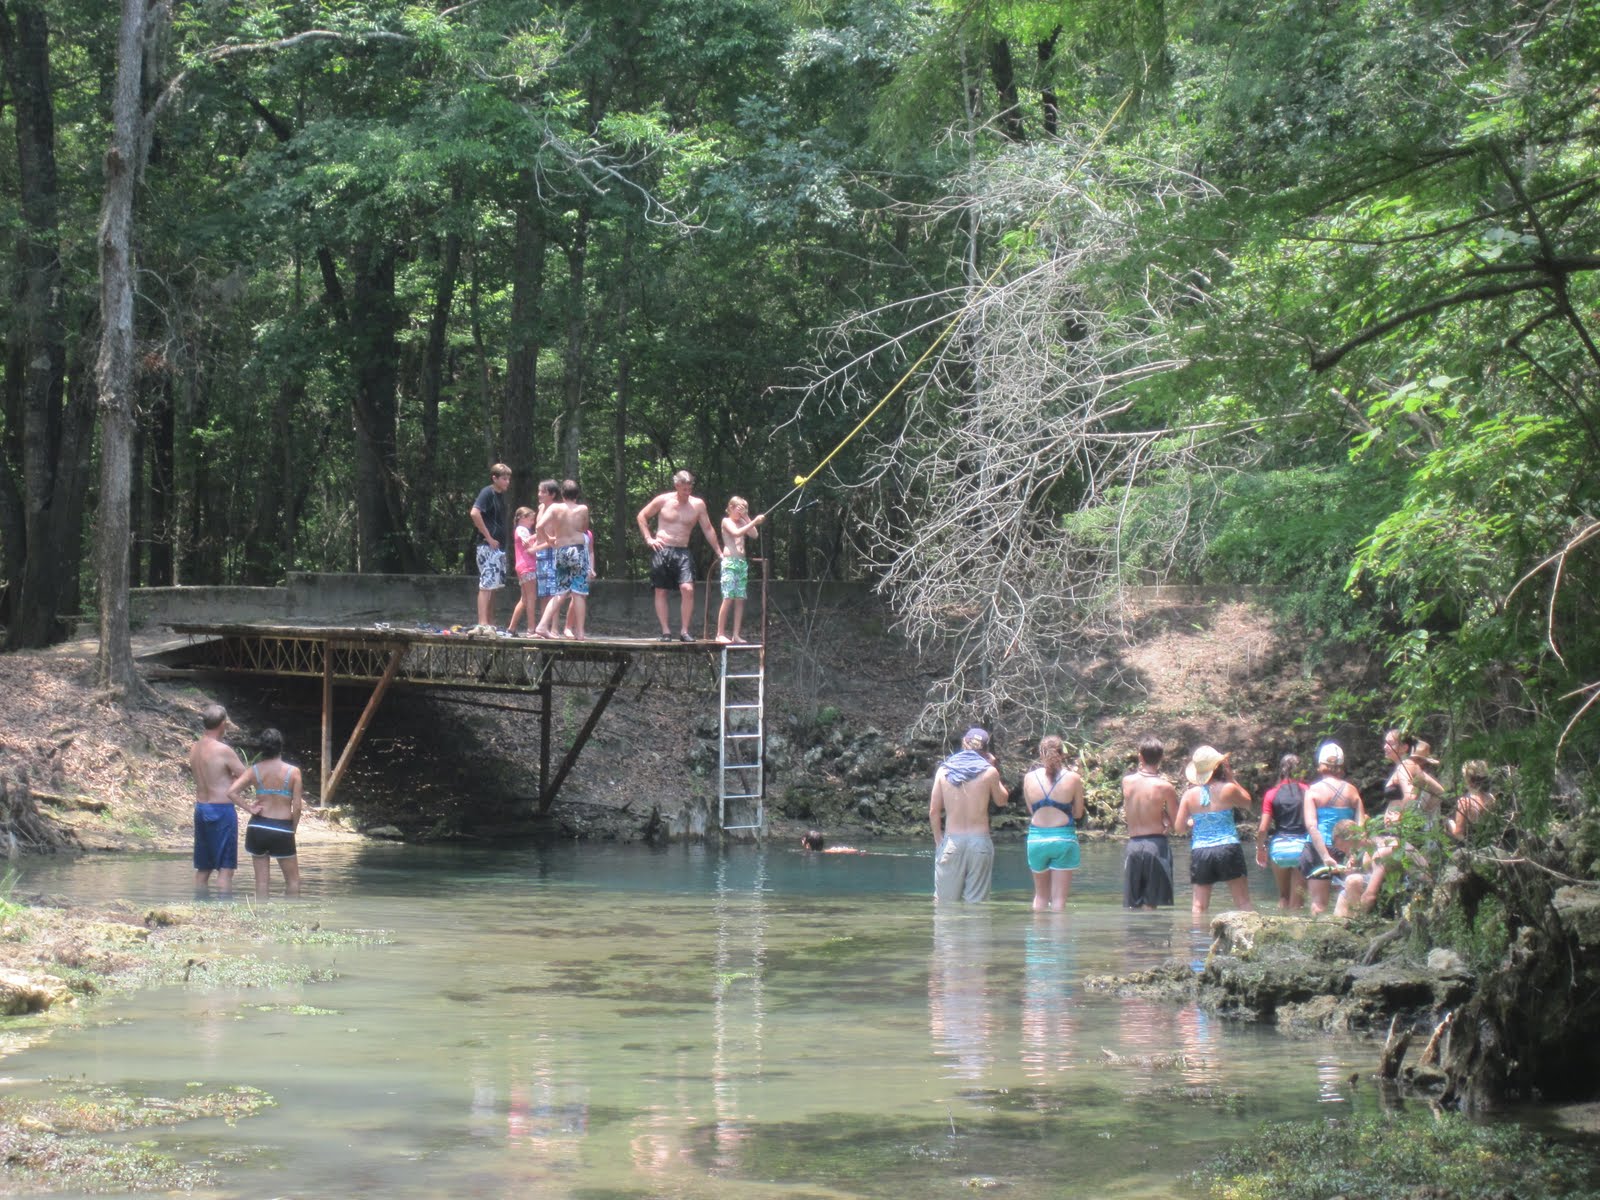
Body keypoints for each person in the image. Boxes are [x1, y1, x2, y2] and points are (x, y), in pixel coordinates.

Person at [636, 469, 722, 642]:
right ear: (677, 485)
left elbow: (707, 528)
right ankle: (666, 631)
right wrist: (648, 538)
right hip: (662, 548)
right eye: (684, 488)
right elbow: (642, 515)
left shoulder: (697, 504)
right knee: (661, 591)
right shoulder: (663, 500)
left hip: (682, 550)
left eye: (690, 488)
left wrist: (719, 551)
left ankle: (684, 631)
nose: (687, 492)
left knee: (687, 589)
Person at [929, 727, 1009, 903]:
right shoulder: (989, 772)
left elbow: (934, 811)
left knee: (944, 905)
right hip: (979, 842)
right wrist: (993, 766)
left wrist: (938, 842)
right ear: (986, 750)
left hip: (951, 842)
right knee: (977, 906)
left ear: (964, 743)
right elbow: (1002, 800)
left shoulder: (944, 771)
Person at [1173, 745, 1254, 915]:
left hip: (1201, 851)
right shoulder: (1228, 788)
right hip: (1228, 847)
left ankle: (1198, 933)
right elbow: (1248, 802)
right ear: (1219, 767)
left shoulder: (1189, 795)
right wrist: (1232, 778)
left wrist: (1192, 822)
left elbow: (1179, 828)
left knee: (1199, 907)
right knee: (1243, 902)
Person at [225, 727, 304, 899]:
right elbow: (297, 807)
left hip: (258, 827)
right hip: (282, 828)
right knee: (293, 881)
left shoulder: (255, 770)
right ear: (281, 746)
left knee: (261, 882)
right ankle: (293, 914)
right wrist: (293, 828)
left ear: (262, 748)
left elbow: (231, 792)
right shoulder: (293, 772)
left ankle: (261, 913)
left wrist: (250, 808)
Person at [1300, 741, 1367, 915]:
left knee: (1318, 903)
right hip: (1345, 848)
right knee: (1348, 896)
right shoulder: (1352, 791)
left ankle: (1318, 932)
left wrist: (1325, 856)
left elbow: (1312, 826)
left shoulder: (1313, 790)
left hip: (1317, 849)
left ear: (1321, 764)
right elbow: (1360, 827)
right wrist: (1354, 853)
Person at [1022, 735, 1085, 911]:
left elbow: (1032, 810)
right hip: (1063, 840)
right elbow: (1078, 813)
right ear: (1062, 754)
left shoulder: (1029, 778)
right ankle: (1059, 930)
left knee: (1040, 897)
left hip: (1036, 840)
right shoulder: (1073, 778)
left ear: (1041, 753)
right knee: (1059, 901)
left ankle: (1037, 930)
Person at [189, 704, 246, 892]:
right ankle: (224, 909)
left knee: (203, 869)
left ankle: (199, 906)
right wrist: (233, 781)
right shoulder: (223, 750)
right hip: (221, 811)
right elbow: (246, 777)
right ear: (223, 724)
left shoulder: (195, 748)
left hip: (201, 809)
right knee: (225, 870)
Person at [1121, 736, 1177, 910]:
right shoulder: (1164, 787)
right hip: (1156, 846)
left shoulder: (1127, 782)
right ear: (1161, 758)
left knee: (1132, 906)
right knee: (1151, 906)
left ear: (1140, 756)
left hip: (1133, 846)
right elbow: (1177, 822)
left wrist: (1162, 813)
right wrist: (1166, 818)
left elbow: (1136, 805)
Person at [537, 479, 592, 639]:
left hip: (561, 551)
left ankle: (542, 626)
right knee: (578, 592)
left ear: (562, 494)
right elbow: (584, 528)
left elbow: (539, 526)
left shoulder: (554, 508)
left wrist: (548, 539)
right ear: (577, 495)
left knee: (560, 591)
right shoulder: (582, 508)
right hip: (577, 551)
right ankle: (580, 632)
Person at [1256, 753, 1311, 910]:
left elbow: (1263, 828)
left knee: (1283, 897)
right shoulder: (1308, 791)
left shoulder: (1272, 794)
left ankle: (1277, 923)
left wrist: (1260, 848)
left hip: (1280, 849)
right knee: (1298, 903)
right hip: (1302, 849)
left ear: (1281, 770)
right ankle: (1295, 925)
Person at [716, 497, 766, 644]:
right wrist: (754, 521)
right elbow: (736, 533)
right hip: (730, 563)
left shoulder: (744, 521)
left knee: (740, 599)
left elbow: (754, 535)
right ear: (731, 508)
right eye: (739, 509)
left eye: (744, 509)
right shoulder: (726, 521)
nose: (741, 512)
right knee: (728, 597)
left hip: (741, 564)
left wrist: (748, 518)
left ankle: (736, 635)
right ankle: (720, 634)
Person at [469, 463, 513, 629]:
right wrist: (488, 537)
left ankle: (490, 622)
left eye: (508, 479)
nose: (507, 482)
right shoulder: (487, 492)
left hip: (498, 549)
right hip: (487, 547)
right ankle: (482, 623)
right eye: (504, 479)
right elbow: (474, 513)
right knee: (486, 584)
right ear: (494, 478)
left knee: (494, 586)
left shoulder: (501, 496)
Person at [1381, 730, 1445, 826]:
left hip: (1399, 828)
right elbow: (1439, 791)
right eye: (1385, 743)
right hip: (1402, 826)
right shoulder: (1410, 766)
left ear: (1404, 748)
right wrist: (1422, 813)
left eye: (1390, 743)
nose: (1385, 747)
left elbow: (1410, 794)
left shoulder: (1404, 766)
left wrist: (1401, 817)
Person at [506, 506, 539, 635]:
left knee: (524, 599)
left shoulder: (520, 530)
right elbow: (530, 548)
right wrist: (541, 536)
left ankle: (512, 628)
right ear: (522, 518)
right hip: (527, 566)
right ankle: (531, 629)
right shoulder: (522, 529)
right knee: (531, 598)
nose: (532, 522)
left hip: (521, 566)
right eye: (531, 519)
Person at [1448, 760, 1495, 840]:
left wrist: (1450, 824)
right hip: (1489, 841)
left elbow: (1459, 834)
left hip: (1471, 843)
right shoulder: (1491, 798)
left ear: (1468, 779)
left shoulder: (1465, 802)